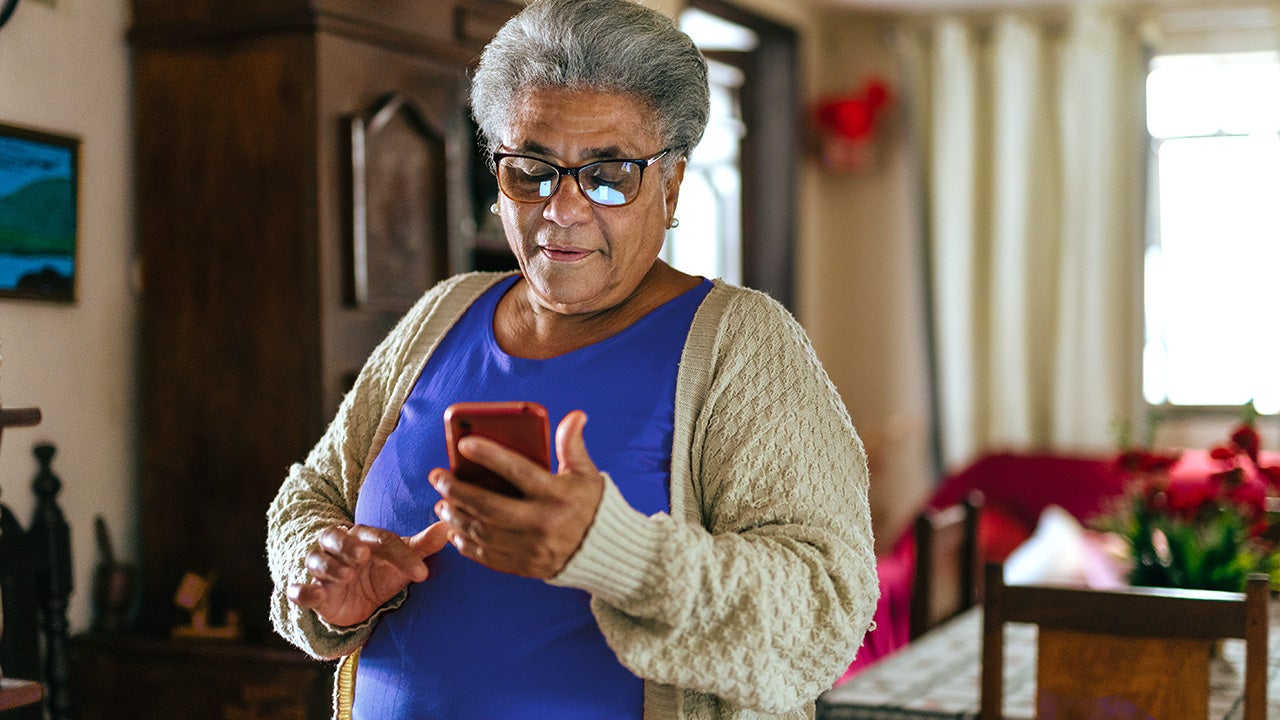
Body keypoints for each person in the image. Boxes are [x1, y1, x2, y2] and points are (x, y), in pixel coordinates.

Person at [266, 0, 877, 717]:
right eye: (532, 170)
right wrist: (325, 568)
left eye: (609, 173)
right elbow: (312, 495)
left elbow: (825, 611)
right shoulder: (443, 313)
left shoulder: (742, 344)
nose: (563, 208)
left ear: (672, 187)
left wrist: (613, 551)